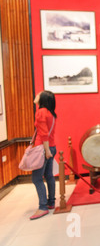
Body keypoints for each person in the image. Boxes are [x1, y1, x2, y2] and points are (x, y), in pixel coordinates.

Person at [30, 91, 57, 220]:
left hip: (43, 148)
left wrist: (46, 151)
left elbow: (44, 134)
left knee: (36, 178)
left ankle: (42, 207)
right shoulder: (51, 113)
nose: (36, 96)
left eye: (38, 95)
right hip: (51, 146)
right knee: (49, 176)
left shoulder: (41, 112)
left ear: (43, 98)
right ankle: (51, 202)